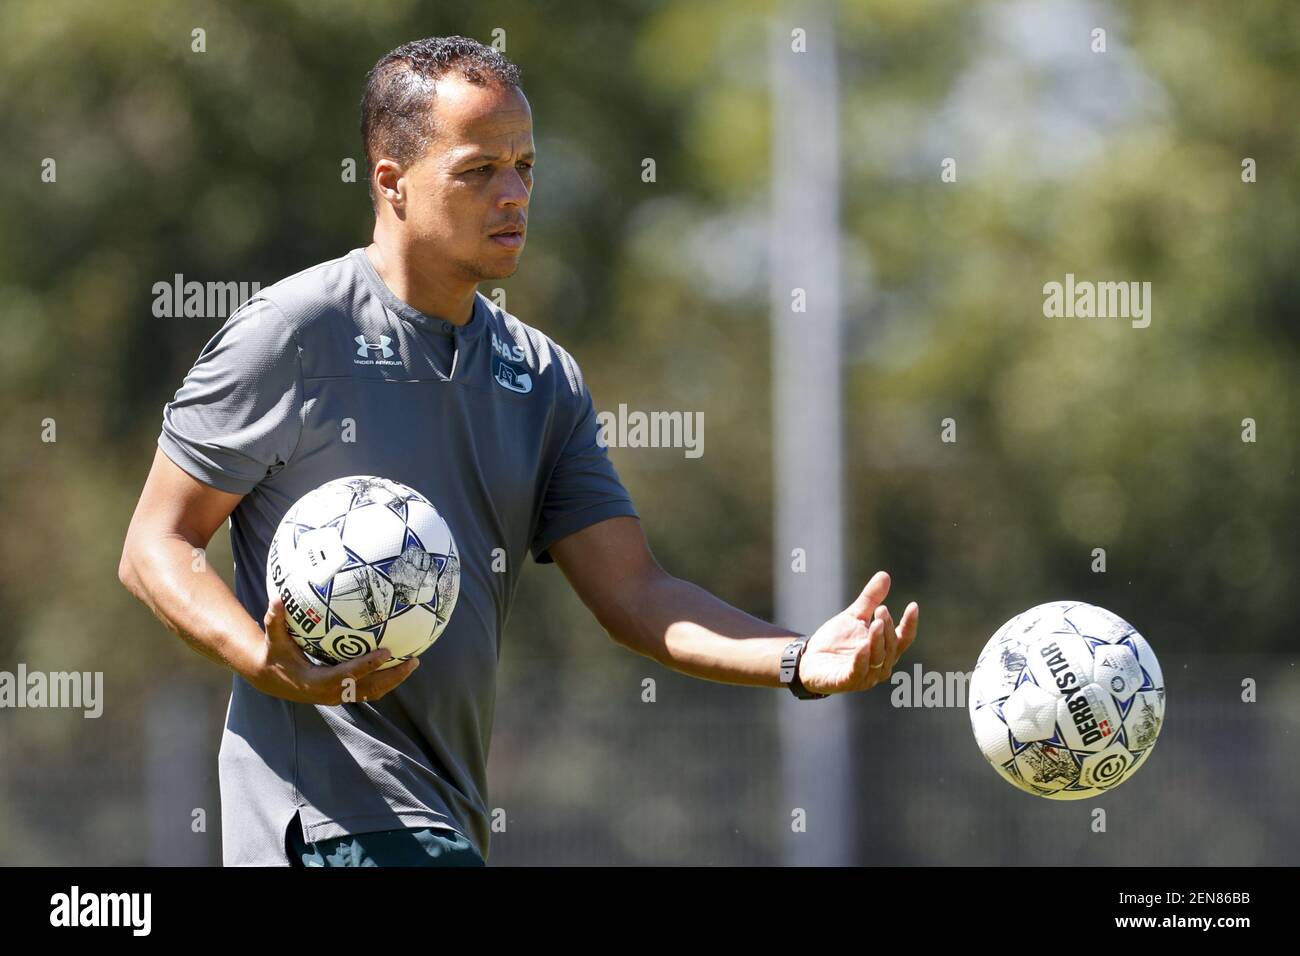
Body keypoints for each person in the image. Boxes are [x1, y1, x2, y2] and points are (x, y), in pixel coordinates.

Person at [117, 35, 919, 868]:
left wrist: (796, 658)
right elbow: (153, 547)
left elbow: (638, 594)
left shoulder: (543, 378)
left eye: (526, 168)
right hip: (328, 824)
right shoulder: (294, 333)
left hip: (448, 821)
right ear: (391, 182)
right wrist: (266, 660)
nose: (514, 196)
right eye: (478, 171)